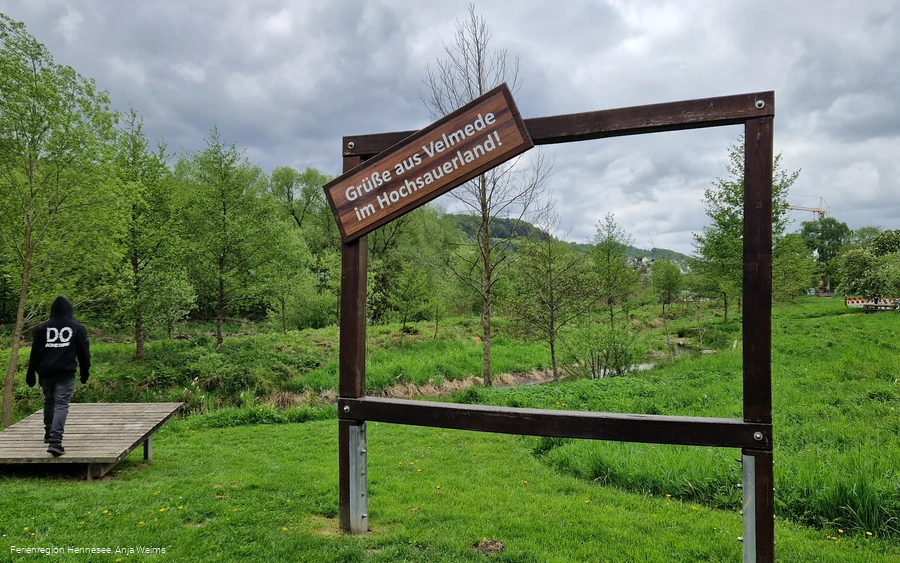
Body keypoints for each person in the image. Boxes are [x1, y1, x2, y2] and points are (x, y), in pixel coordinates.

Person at [25, 296, 91, 456]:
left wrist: (30, 373)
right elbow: (84, 353)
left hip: (45, 372)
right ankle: (56, 441)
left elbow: (35, 353)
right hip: (66, 373)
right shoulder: (78, 328)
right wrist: (84, 372)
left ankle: (48, 433)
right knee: (61, 404)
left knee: (49, 401)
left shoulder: (42, 328)